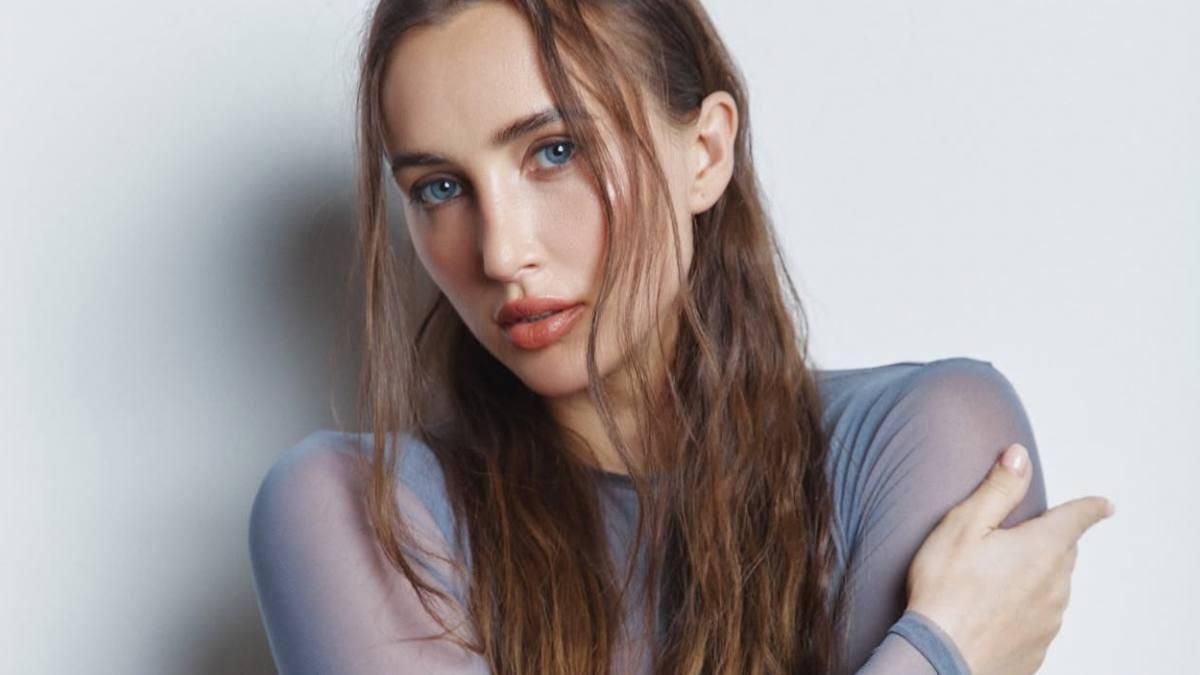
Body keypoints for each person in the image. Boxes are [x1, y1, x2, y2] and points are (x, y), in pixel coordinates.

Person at [247, 1, 1115, 673]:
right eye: (439, 188)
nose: (502, 253)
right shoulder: (353, 513)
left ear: (704, 152)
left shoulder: (921, 438)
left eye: (555, 151)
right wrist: (939, 653)